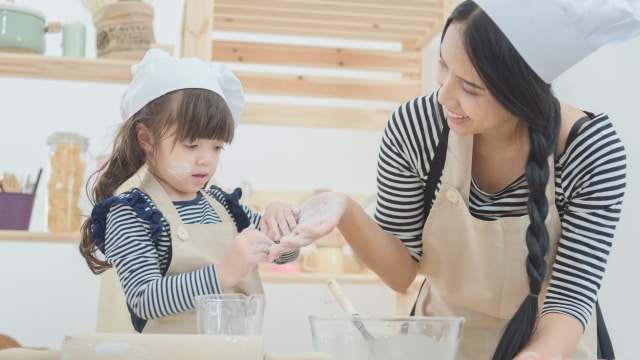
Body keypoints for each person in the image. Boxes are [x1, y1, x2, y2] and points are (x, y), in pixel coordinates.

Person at [269, 0, 640, 359]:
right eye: (443, 65)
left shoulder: (589, 149)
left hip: (551, 345)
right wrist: (346, 210)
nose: (444, 96)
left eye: (471, 88)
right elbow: (401, 272)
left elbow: (571, 299)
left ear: (521, 94)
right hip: (440, 345)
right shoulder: (417, 127)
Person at [79, 49, 298, 334]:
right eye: (191, 145)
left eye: (217, 147)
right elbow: (145, 299)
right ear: (146, 138)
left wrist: (281, 221)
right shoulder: (130, 212)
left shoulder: (224, 206)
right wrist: (226, 271)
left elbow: (283, 256)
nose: (206, 159)